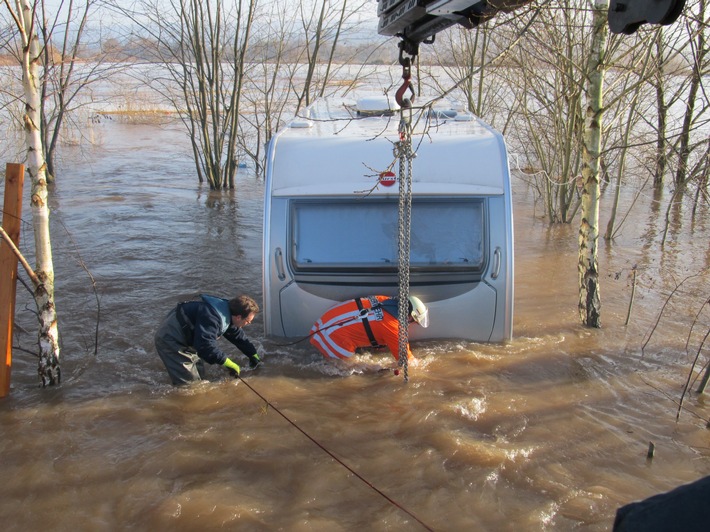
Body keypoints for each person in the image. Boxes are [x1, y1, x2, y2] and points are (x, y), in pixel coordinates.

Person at [155, 294, 262, 385]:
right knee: (189, 385)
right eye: (248, 321)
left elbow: (237, 336)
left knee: (200, 376)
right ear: (238, 317)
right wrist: (228, 363)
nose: (249, 323)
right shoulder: (213, 317)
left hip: (187, 335)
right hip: (171, 339)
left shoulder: (229, 312)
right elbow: (205, 346)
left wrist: (252, 354)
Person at [309, 295, 429, 363]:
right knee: (359, 369)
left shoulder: (384, 300)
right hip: (333, 338)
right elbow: (408, 362)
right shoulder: (394, 328)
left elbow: (374, 326)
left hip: (322, 323)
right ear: (408, 317)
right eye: (414, 322)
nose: (412, 325)